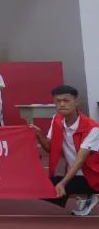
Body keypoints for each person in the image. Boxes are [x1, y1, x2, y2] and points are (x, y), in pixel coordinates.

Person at [29, 85, 99, 217]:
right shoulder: (57, 120)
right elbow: (50, 148)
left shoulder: (93, 128)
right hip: (75, 175)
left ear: (76, 102)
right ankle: (84, 195)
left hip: (93, 176)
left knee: (57, 187)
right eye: (58, 101)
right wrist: (39, 134)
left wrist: (62, 183)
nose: (61, 104)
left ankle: (88, 195)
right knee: (39, 188)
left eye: (66, 101)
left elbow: (80, 160)